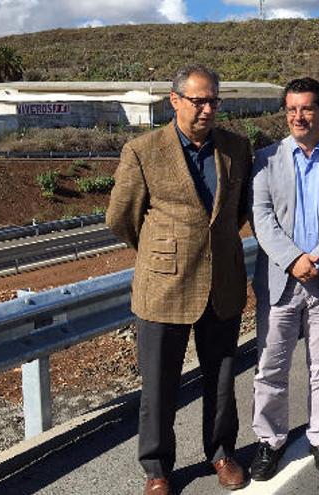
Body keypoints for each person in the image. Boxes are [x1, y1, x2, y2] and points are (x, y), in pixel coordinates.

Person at [106, 65, 252, 495]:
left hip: (222, 282)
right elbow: (120, 218)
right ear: (174, 100)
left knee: (222, 379)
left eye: (214, 101)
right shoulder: (143, 150)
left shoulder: (236, 147)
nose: (207, 109)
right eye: (198, 101)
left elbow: (238, 211)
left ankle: (222, 453)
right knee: (159, 384)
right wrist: (159, 251)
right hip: (163, 286)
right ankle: (157, 469)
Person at [248, 77, 319, 480]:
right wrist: (294, 259)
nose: (299, 116)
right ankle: (270, 439)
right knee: (271, 366)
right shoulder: (265, 159)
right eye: (292, 109)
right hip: (281, 280)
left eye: (307, 108)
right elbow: (260, 218)